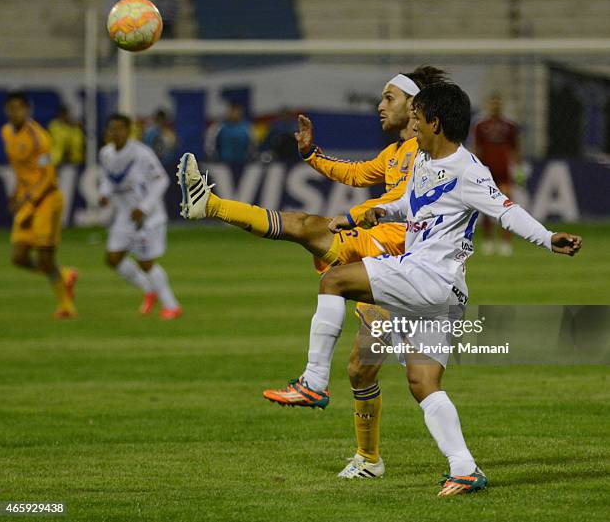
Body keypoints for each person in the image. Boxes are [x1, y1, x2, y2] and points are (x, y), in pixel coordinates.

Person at [265, 82, 581, 496]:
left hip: (428, 276)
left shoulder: (469, 170)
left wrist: (548, 237)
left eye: (417, 117)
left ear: (435, 121)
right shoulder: (425, 161)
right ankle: (465, 468)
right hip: (443, 292)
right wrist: (374, 213)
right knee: (423, 382)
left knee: (334, 279)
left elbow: (507, 211)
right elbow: (412, 206)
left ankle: (314, 381)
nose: (410, 123)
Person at [178, 67, 448, 478]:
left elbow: (407, 201)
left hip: (403, 255)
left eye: (388, 98)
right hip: (383, 258)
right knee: (361, 367)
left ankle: (211, 206)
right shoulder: (395, 154)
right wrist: (311, 154)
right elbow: (357, 174)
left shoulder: (431, 151)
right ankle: (370, 460)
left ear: (415, 107)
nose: (380, 105)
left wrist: (355, 215)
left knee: (308, 231)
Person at [1, 91, 78, 318]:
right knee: (19, 258)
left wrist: (30, 200)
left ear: (27, 109)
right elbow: (21, 170)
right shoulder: (6, 133)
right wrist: (17, 194)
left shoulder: (39, 137)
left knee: (45, 258)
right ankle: (65, 275)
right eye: (11, 108)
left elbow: (47, 175)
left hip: (47, 200)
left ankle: (66, 306)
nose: (15, 112)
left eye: (19, 108)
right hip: (27, 200)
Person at [99, 114, 181, 320]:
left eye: (120, 129)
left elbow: (161, 180)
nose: (116, 133)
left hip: (148, 217)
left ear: (129, 131)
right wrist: (104, 193)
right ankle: (148, 289)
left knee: (146, 262)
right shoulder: (106, 153)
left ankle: (171, 305)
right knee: (113, 258)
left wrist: (144, 207)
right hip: (125, 216)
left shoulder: (142, 154)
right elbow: (108, 178)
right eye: (112, 129)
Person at [474, 93, 520, 256]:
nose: (495, 105)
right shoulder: (480, 126)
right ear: (489, 105)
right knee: (486, 207)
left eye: (498, 102)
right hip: (487, 172)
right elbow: (477, 149)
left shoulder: (510, 126)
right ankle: (487, 241)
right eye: (493, 102)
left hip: (504, 171)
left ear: (502, 105)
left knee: (506, 206)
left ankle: (505, 242)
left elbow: (515, 149)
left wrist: (519, 168)